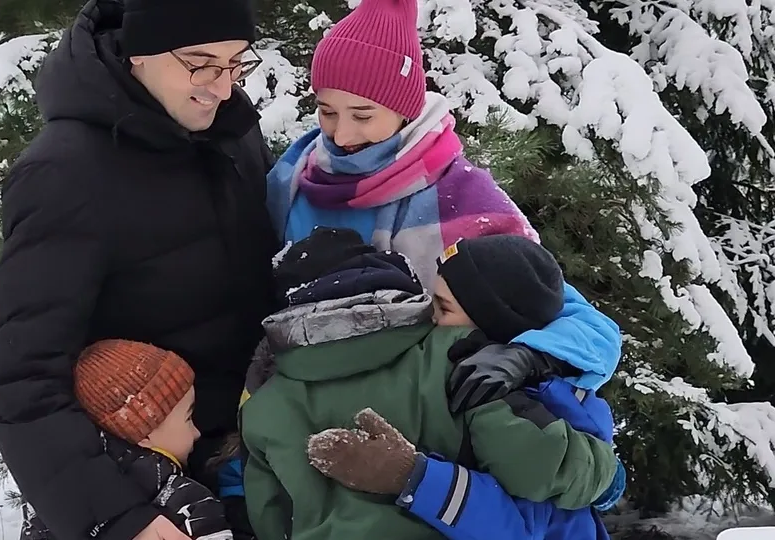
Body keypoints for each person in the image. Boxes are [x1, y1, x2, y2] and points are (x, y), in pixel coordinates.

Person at [0, 0, 278, 538]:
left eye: (236, 63)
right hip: (143, 488)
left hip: (246, 468)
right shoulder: (65, 172)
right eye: (200, 61)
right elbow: (21, 379)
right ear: (138, 53)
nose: (222, 86)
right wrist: (118, 517)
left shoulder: (230, 131)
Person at [265, 0, 620, 398]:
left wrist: (529, 356)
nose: (341, 136)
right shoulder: (294, 175)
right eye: (327, 112)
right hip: (296, 405)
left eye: (362, 116)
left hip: (418, 417)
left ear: (405, 109)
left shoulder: (461, 197)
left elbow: (587, 326)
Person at [240, 228, 620, 540]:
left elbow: (267, 513)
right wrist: (608, 476)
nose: (433, 319)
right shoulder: (460, 362)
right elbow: (541, 472)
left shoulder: (261, 407)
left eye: (441, 307)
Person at [23, 339, 235, 540]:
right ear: (144, 433)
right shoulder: (187, 503)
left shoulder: (51, 507)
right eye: (188, 418)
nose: (197, 432)